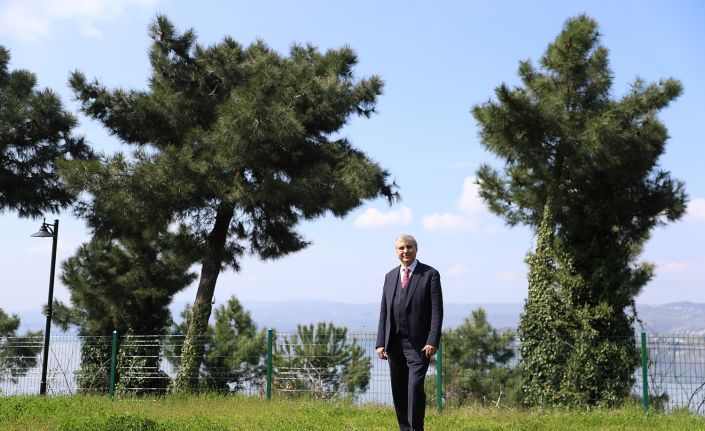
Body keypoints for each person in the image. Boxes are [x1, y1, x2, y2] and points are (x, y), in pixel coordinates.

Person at [376, 234, 443, 431]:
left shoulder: (430, 274)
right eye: (401, 248)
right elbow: (384, 311)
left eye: (409, 247)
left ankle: (416, 428)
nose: (405, 251)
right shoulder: (390, 276)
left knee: (414, 388)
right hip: (394, 344)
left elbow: (437, 311)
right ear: (396, 251)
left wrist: (432, 340)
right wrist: (380, 342)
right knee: (399, 390)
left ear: (416, 249)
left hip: (419, 345)